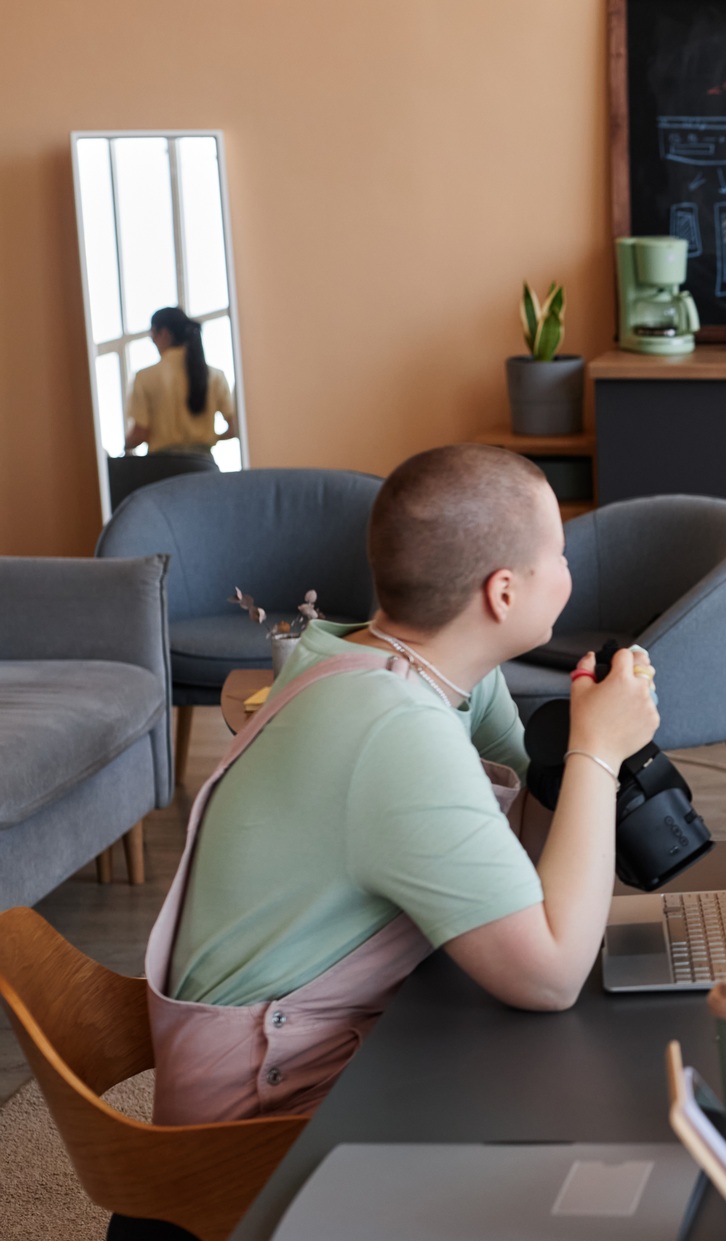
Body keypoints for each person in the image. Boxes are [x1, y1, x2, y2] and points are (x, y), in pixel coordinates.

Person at [146, 444, 659, 1125]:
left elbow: (525, 852)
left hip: (328, 1045)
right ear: (503, 592)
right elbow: (552, 973)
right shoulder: (394, 727)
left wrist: (578, 738)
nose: (569, 571)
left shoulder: (389, 659)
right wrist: (597, 751)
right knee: (599, 1095)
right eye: (559, 553)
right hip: (256, 1123)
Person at [126, 307, 238, 455]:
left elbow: (140, 434)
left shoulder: (145, 377)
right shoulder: (215, 375)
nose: (153, 341)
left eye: (152, 335)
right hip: (204, 465)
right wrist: (209, 439)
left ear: (164, 333)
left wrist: (121, 448)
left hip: (164, 467)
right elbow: (234, 428)